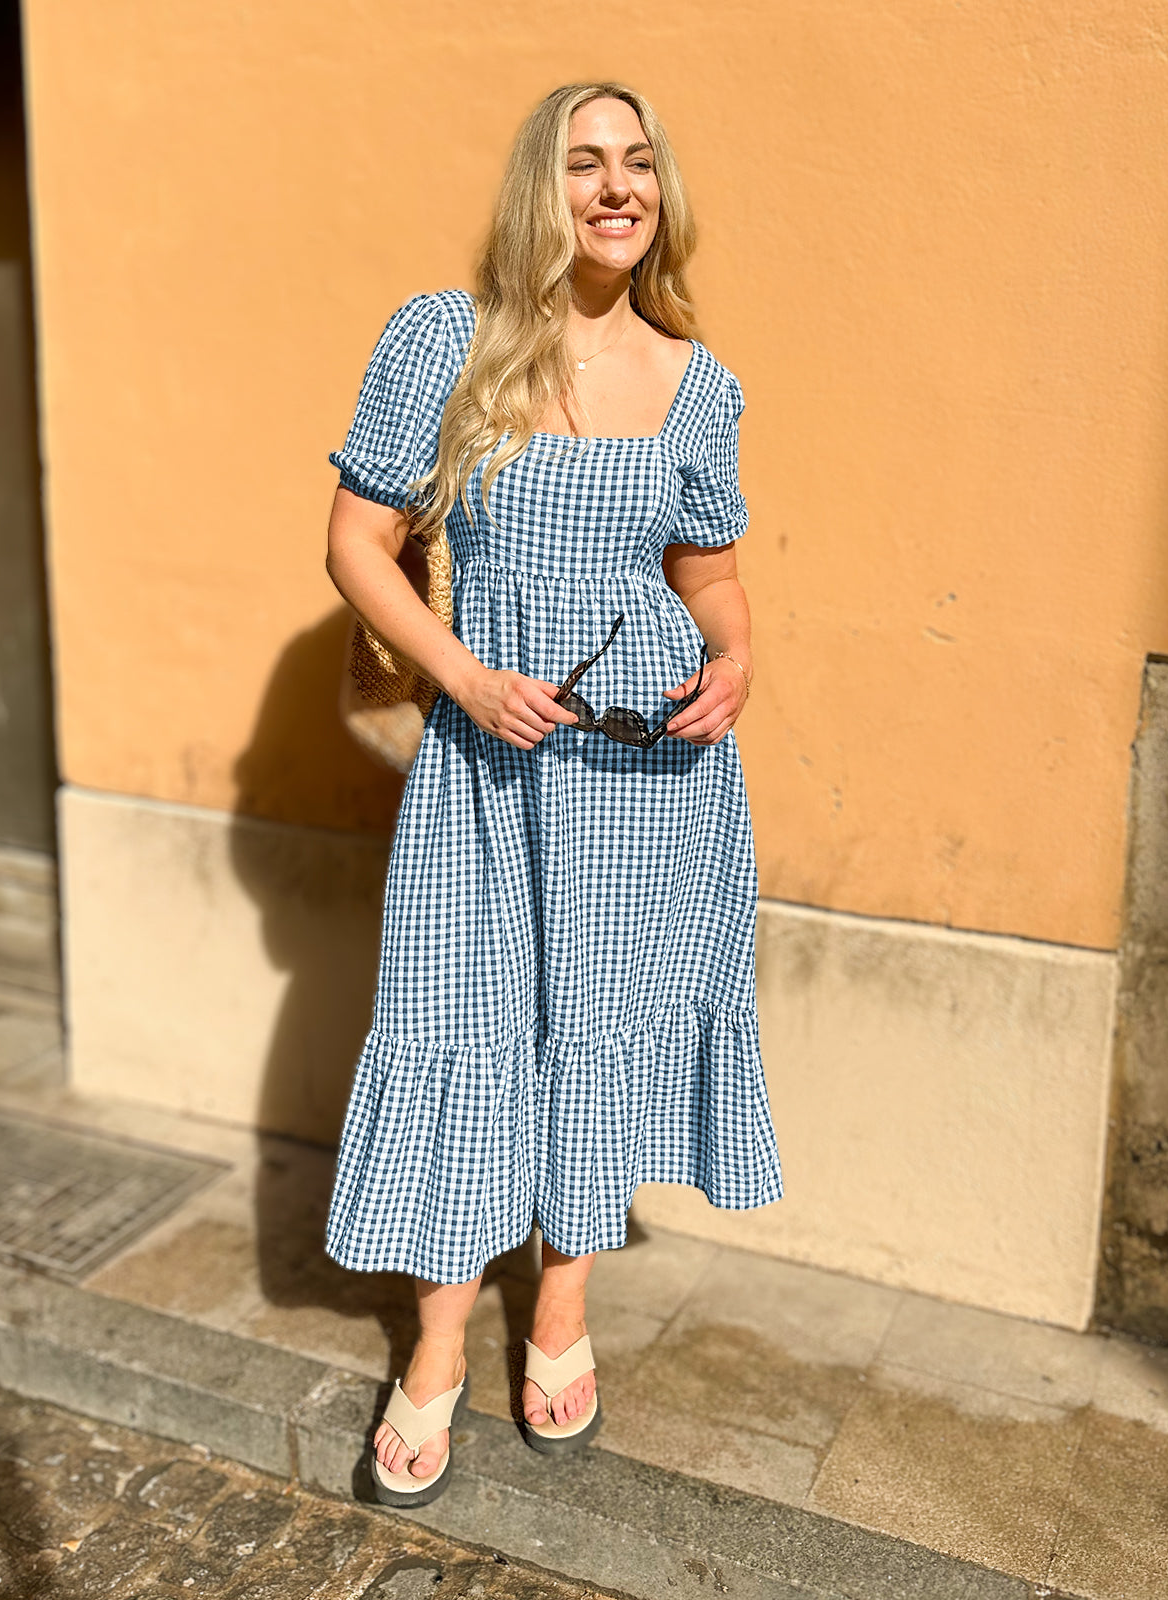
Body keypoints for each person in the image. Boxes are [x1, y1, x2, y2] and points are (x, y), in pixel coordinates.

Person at [323, 80, 783, 1506]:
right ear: (544, 187)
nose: (617, 186)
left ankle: (564, 1310)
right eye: (586, 162)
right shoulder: (443, 340)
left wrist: (738, 660)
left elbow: (710, 578)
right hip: (486, 761)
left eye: (638, 163)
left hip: (651, 773)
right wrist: (464, 679)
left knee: (599, 1026)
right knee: (457, 1022)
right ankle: (437, 1347)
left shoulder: (698, 384)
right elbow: (356, 544)